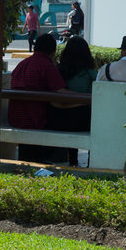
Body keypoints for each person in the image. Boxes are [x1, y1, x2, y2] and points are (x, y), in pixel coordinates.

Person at [9, 33, 67, 162]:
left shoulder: (21, 64)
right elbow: (61, 92)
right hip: (36, 119)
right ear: (53, 52)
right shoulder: (46, 65)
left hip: (16, 118)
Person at [48, 36, 97, 166]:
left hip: (58, 118)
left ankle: (73, 161)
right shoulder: (90, 73)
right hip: (82, 119)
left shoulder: (58, 70)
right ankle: (89, 162)